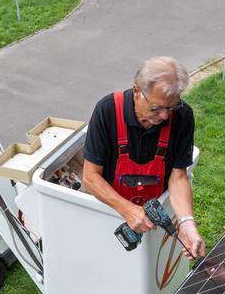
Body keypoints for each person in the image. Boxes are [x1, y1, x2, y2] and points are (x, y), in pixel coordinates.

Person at [82, 57, 206, 261]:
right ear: (137, 91)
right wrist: (127, 209)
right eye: (157, 108)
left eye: (171, 107)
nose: (165, 116)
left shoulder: (182, 116)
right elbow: (90, 177)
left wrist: (187, 223)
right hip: (109, 213)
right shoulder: (107, 111)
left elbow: (178, 177)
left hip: (155, 217)